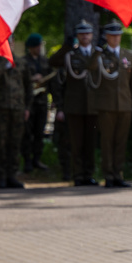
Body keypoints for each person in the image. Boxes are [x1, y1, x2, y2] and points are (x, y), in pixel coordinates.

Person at [49, 20, 98, 186]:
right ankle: (78, 175)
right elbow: (53, 61)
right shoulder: (70, 54)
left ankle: (89, 174)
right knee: (76, 143)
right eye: (81, 33)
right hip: (75, 106)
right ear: (77, 36)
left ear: (92, 35)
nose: (85, 36)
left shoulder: (97, 54)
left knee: (90, 143)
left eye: (87, 33)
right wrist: (66, 46)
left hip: (93, 106)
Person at [91, 20, 132, 188]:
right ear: (107, 37)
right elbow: (91, 67)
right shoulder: (101, 56)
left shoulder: (128, 55)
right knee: (107, 141)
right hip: (107, 105)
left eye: (118, 35)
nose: (116, 38)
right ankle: (109, 175)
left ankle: (119, 174)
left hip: (124, 104)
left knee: (121, 141)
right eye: (112, 36)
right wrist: (97, 50)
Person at [0, 39, 32, 189]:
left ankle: (12, 174)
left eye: (9, 43)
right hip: (0, 108)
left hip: (18, 108)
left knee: (15, 142)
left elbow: (28, 86)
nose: (8, 46)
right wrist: (4, 60)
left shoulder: (21, 62)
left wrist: (27, 108)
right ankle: (0, 176)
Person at [22, 33, 54, 172]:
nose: (38, 48)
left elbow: (52, 81)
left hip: (42, 100)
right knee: (27, 133)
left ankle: (37, 159)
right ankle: (27, 161)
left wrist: (54, 98)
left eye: (40, 45)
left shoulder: (45, 61)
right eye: (36, 45)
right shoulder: (24, 61)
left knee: (40, 132)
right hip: (29, 101)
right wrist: (32, 79)